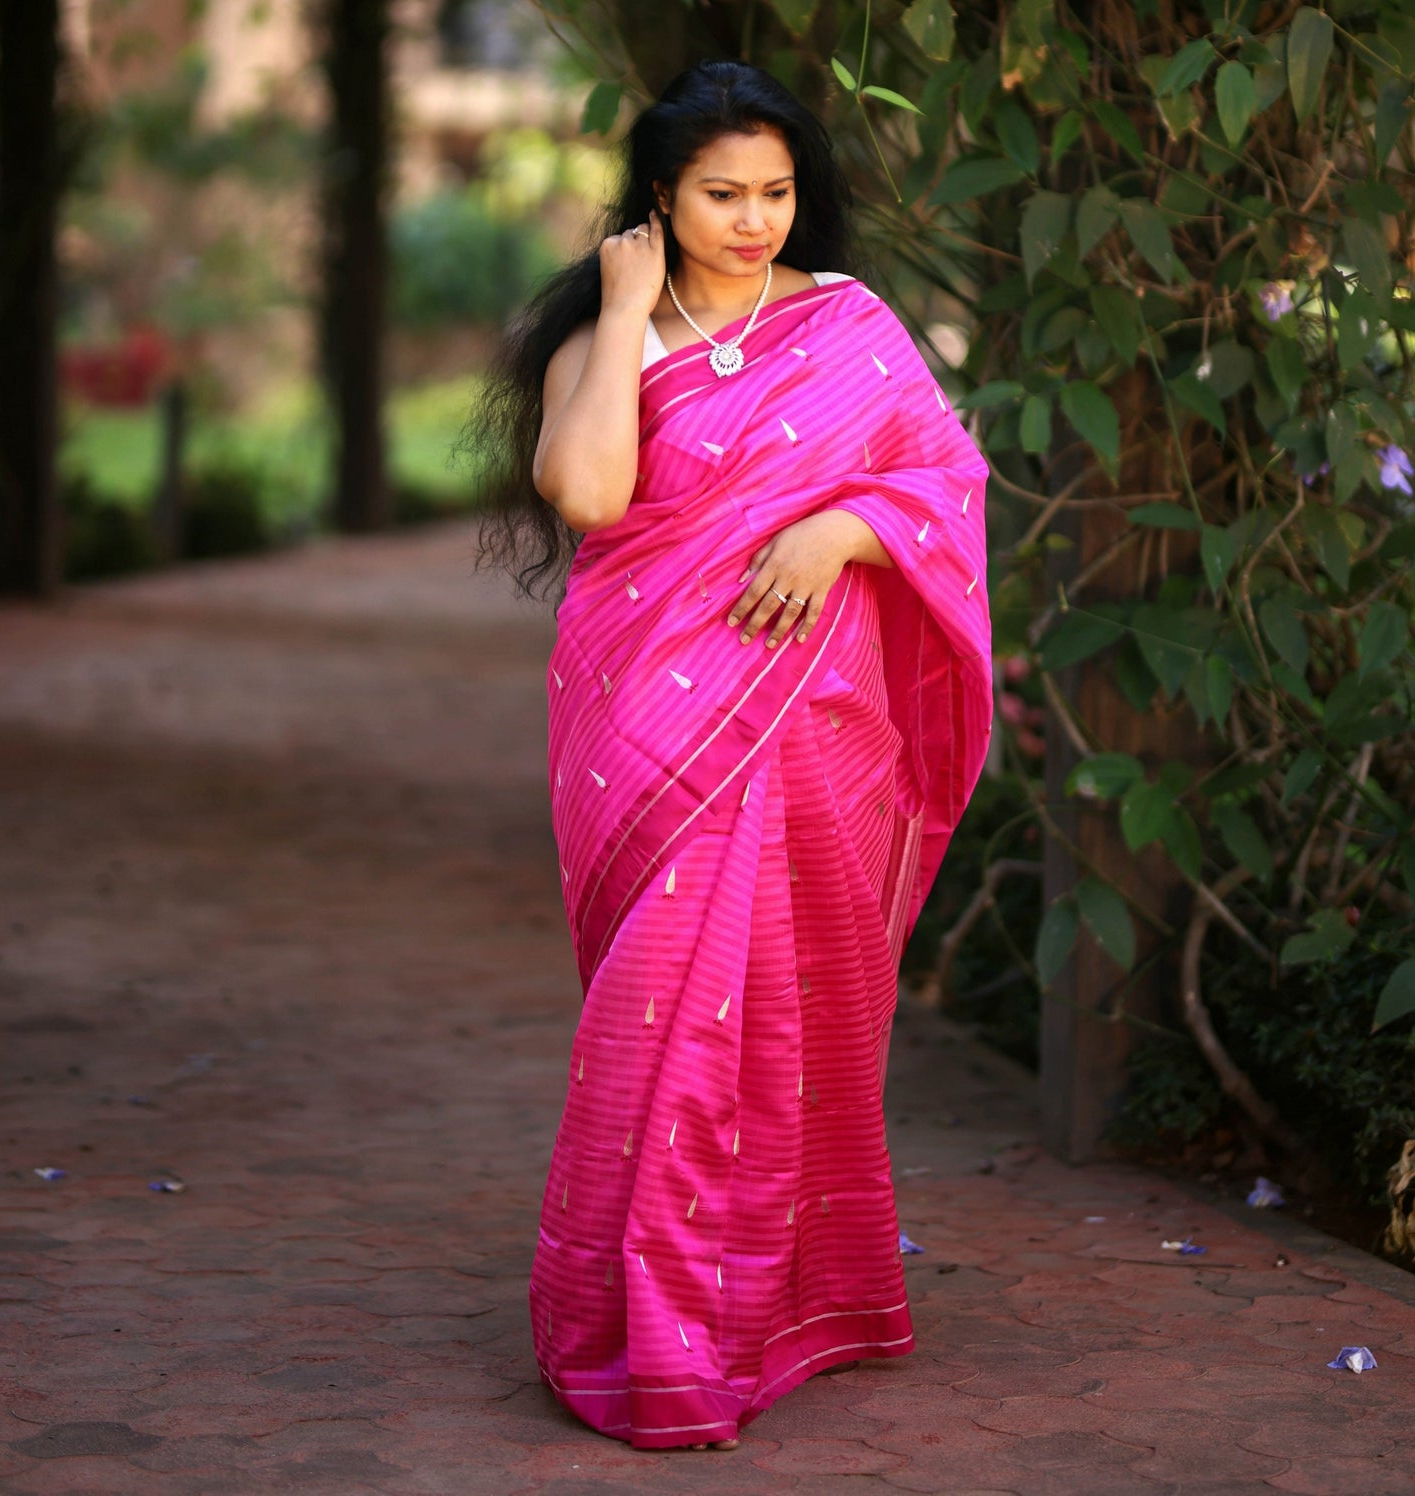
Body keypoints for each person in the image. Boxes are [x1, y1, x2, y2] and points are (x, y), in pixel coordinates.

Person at [476, 58, 992, 1452]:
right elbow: (588, 494)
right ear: (659, 197)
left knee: (772, 1006)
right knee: (661, 1003)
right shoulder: (612, 329)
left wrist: (837, 532)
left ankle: (752, 1309)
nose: (755, 220)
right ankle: (641, 1328)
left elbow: (943, 481)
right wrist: (631, 305)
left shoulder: (847, 327)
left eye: (774, 194)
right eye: (721, 195)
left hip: (802, 711)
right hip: (645, 702)